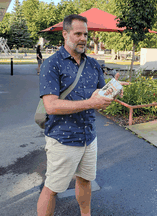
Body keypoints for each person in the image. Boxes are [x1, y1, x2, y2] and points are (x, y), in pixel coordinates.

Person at [37, 14, 128, 216]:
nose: (83, 39)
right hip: (62, 139)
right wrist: (91, 102)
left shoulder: (93, 65)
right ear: (65, 34)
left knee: (85, 180)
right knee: (52, 188)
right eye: (78, 34)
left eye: (85, 34)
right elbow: (50, 106)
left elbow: (99, 100)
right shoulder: (52, 64)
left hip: (88, 137)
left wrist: (112, 90)